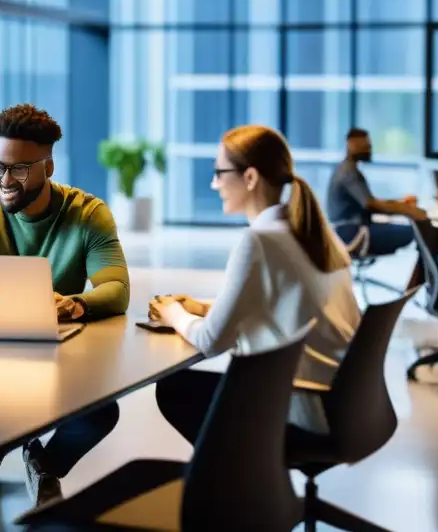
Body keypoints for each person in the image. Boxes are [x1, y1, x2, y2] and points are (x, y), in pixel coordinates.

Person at [0, 104, 130, 506]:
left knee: (101, 412)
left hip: (57, 358)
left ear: (47, 167)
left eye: (19, 169)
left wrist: (73, 305)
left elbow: (116, 289)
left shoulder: (88, 214)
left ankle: (42, 462)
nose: (5, 180)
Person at [150, 124, 362, 441]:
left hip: (301, 410)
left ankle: (237, 481)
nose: (214, 183)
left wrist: (174, 314)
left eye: (220, 173)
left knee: (174, 390)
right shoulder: (310, 229)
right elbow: (280, 299)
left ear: (249, 178)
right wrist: (203, 306)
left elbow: (211, 342)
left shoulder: (259, 240)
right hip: (344, 403)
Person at [327, 127, 426, 257]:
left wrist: (400, 203)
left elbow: (369, 201)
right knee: (418, 231)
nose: (369, 150)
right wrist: (406, 210)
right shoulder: (348, 173)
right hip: (353, 233)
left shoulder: (345, 169)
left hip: (349, 230)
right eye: (365, 146)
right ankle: (425, 276)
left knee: (416, 231)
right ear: (351, 145)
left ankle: (420, 276)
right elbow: (370, 204)